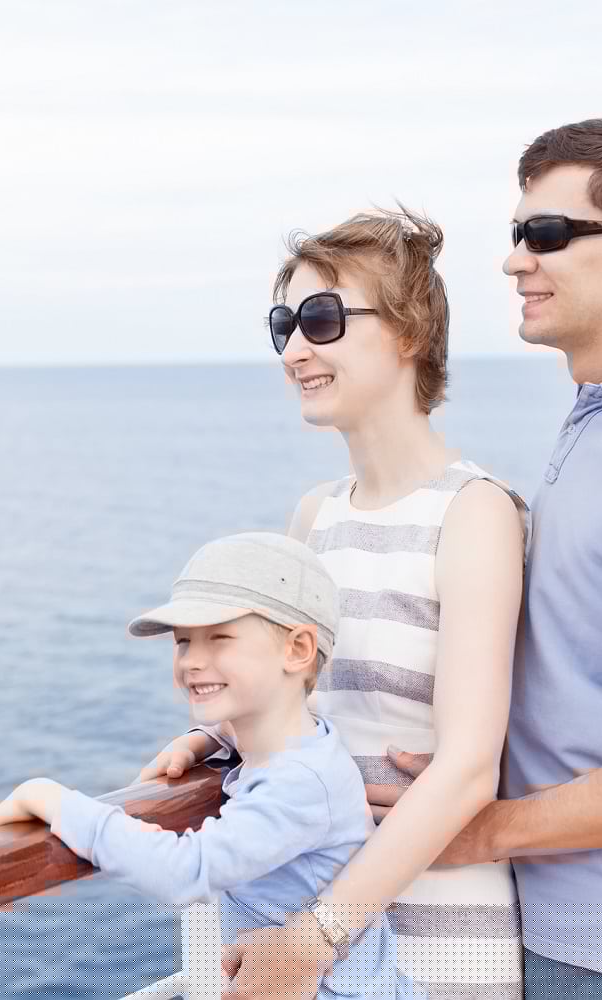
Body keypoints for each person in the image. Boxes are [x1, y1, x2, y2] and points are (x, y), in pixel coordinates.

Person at [219, 119, 602, 1000]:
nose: (515, 260)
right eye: (519, 234)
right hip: (558, 918)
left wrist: (484, 829)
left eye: (547, 234)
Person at [140, 208, 529, 998]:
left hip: (428, 930)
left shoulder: (474, 512)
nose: (295, 349)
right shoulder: (315, 515)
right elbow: (304, 702)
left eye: (322, 319)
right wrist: (212, 738)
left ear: (410, 333)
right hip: (310, 925)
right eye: (284, 323)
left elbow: (465, 769)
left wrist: (319, 937)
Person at [0, 531, 412, 999]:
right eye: (183, 642)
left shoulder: (299, 783)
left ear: (298, 650)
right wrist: (208, 739)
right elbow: (260, 726)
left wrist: (52, 799)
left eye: (219, 638)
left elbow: (186, 871)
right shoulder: (307, 747)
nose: (192, 661)